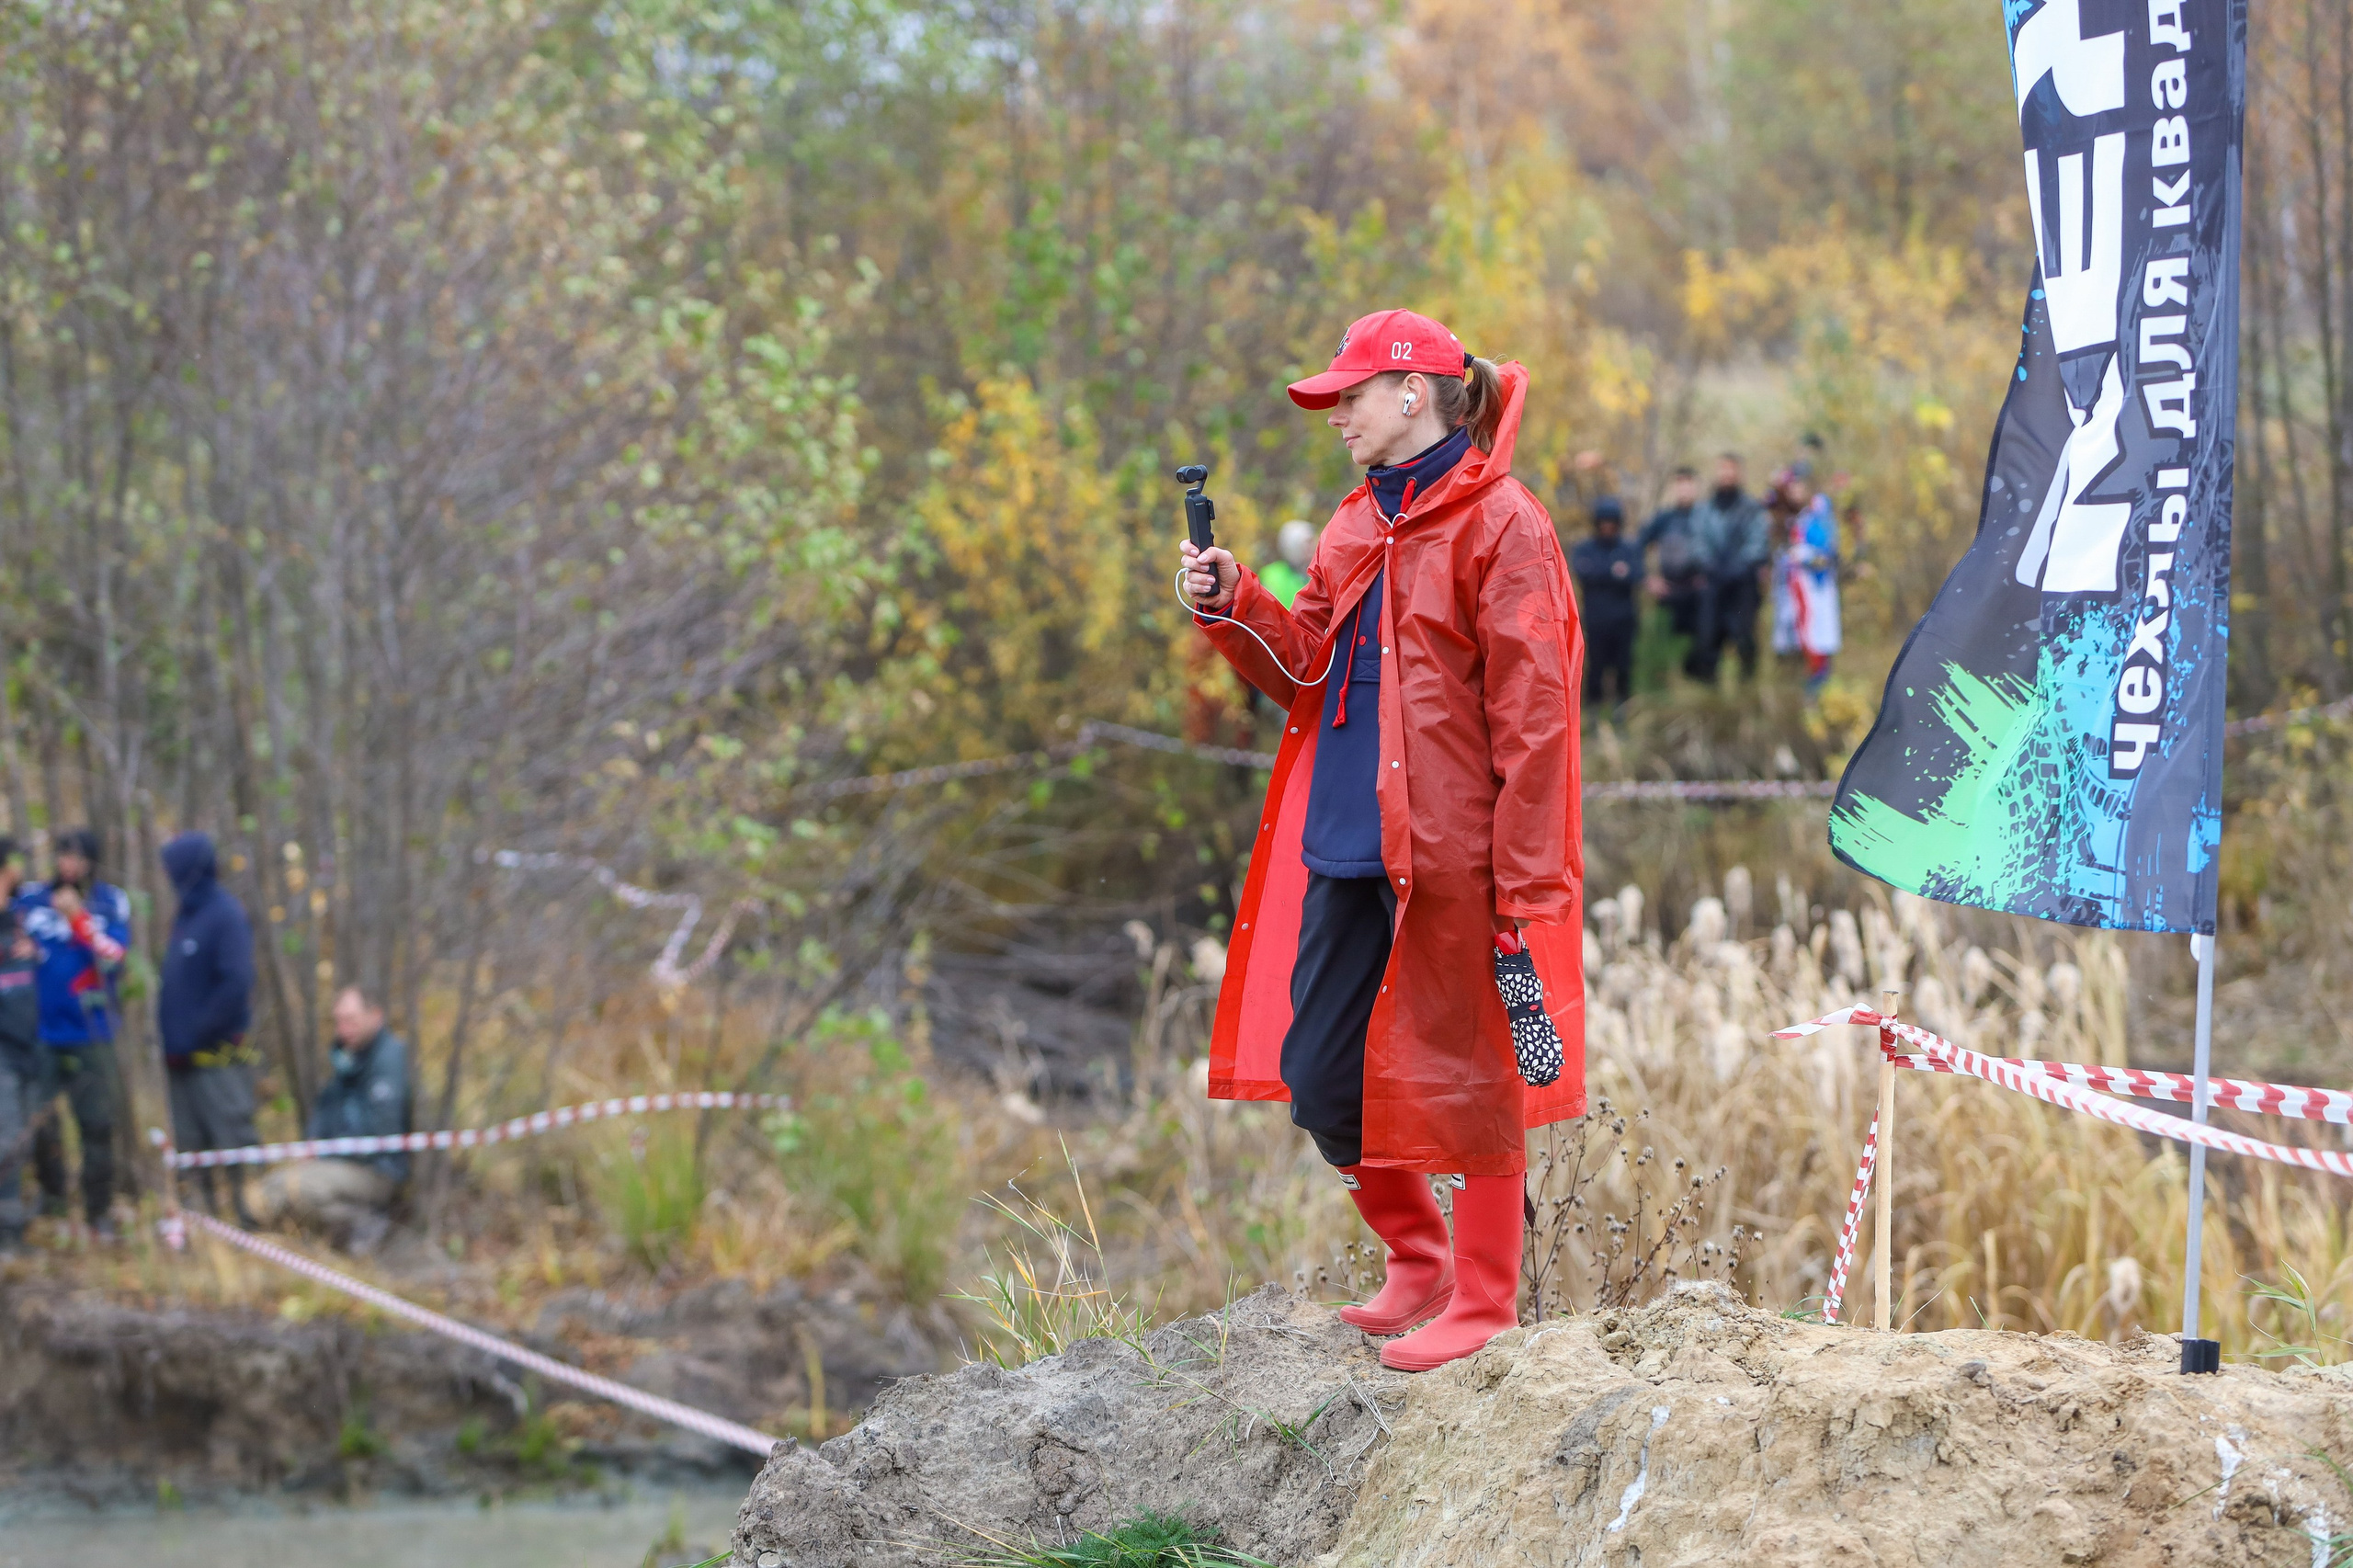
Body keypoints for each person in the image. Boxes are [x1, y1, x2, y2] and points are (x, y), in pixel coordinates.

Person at [1178, 307, 1586, 1372]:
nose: (1336, 416)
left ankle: (1485, 1302)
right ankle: (1421, 1257)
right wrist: (1235, 603)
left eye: (1349, 396)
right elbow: (1306, 671)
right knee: (1319, 1073)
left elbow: (1538, 720)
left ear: (1413, 392)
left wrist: (1522, 883)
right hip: (1347, 841)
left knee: (1474, 1078)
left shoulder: (1504, 523)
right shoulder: (1353, 524)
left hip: (1457, 859)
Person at [17, 827, 131, 1239]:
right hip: (41, 1033)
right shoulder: (30, 899)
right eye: (64, 855)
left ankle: (98, 1209)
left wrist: (78, 919)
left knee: (97, 1123)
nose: (70, 865)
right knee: (39, 1121)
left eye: (79, 858)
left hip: (91, 1033)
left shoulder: (109, 902)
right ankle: (53, 1200)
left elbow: (115, 958)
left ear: (91, 862)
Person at [252, 985, 410, 1251]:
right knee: (271, 1187)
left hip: (376, 1169)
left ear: (375, 1016)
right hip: (338, 1161)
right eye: (339, 1021)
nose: (344, 1029)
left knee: (297, 1189)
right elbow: (325, 1107)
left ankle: (365, 1224)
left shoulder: (389, 1060)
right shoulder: (347, 1059)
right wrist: (314, 1141)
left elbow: (380, 1131)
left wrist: (325, 1151)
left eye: (351, 1020)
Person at [157, 832, 260, 1225]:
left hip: (217, 1056)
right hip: (180, 1061)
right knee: (190, 1147)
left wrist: (199, 1031)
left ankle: (250, 1220)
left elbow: (236, 983)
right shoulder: (185, 917)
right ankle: (204, 1223)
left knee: (232, 1138)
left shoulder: (225, 915)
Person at [1687, 453, 1770, 683]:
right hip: (1713, 584)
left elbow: (1758, 542)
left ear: (1739, 473)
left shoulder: (1752, 508)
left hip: (1743, 586)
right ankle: (1709, 691)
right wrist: (1710, 565)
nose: (1727, 474)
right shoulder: (1704, 509)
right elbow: (1697, 541)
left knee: (1744, 639)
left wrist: (1740, 567)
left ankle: (1747, 688)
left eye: (1731, 469)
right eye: (1723, 469)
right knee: (1708, 638)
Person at [0, 839, 40, 1255]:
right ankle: (7, 1236)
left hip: (28, 1045)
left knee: (21, 1140)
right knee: (6, 1138)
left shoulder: (23, 920)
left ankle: (13, 1231)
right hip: (2, 1052)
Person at [1774, 462, 1843, 696]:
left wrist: (1806, 556)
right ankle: (1797, 686)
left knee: (1818, 633)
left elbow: (1828, 553)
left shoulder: (1820, 512)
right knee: (1796, 633)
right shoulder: (1792, 515)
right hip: (1794, 585)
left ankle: (1820, 686)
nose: (1795, 490)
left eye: (1799, 485)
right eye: (1792, 486)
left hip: (1817, 585)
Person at [1570, 496, 1643, 711]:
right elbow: (1583, 572)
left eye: (1612, 523)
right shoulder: (1585, 549)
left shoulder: (1629, 548)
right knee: (1596, 665)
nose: (1608, 527)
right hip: (1596, 620)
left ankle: (1622, 707)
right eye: (1604, 523)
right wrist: (1614, 572)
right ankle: (1592, 709)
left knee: (1623, 665)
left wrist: (1602, 573)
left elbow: (1637, 574)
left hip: (1624, 620)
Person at [1639, 468, 1708, 677]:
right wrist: (1648, 579)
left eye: (1688, 483)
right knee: (1667, 646)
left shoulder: (1706, 517)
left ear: (1696, 487)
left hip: (1701, 594)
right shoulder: (1663, 519)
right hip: (1669, 593)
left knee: (1703, 648)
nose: (1684, 489)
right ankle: (1667, 682)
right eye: (1680, 484)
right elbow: (1636, 547)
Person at [1259, 521, 1317, 608]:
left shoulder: (1316, 573)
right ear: (1292, 547)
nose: (1312, 547)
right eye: (1307, 543)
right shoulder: (1272, 576)